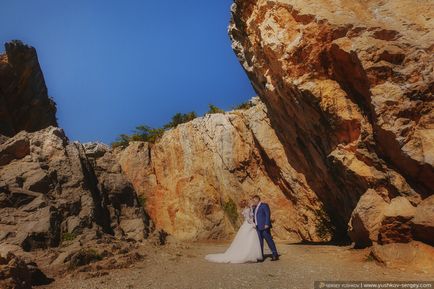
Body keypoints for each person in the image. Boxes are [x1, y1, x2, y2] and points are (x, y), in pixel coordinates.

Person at [251, 195, 279, 261]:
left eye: (254, 200)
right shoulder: (254, 208)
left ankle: (275, 254)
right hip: (257, 227)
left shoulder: (264, 205)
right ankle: (261, 256)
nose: (253, 201)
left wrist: (267, 224)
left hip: (264, 227)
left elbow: (267, 214)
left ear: (257, 199)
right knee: (260, 242)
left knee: (269, 240)